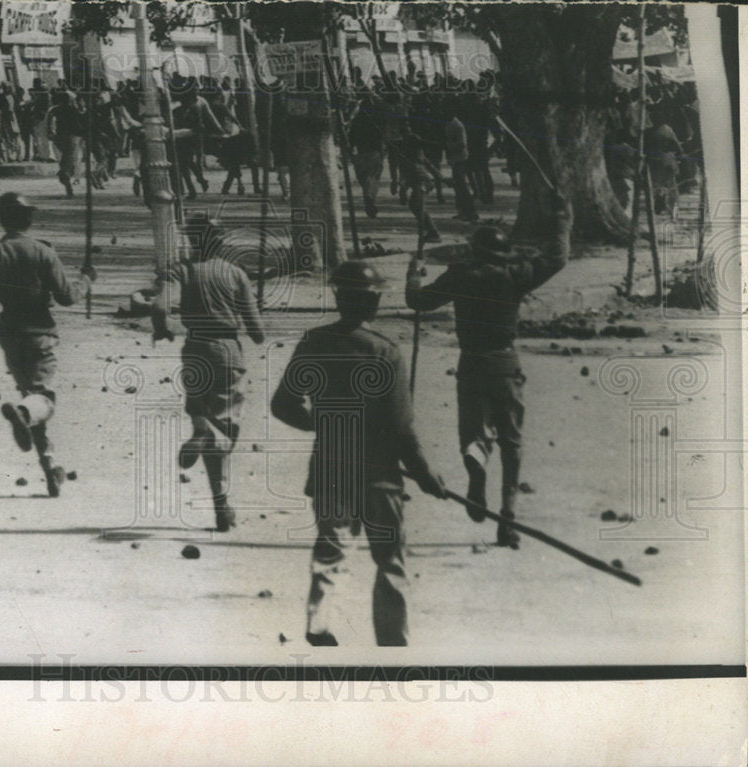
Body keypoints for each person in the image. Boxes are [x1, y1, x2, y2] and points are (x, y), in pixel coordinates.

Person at [271, 260, 448, 647]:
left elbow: (283, 405)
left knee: (331, 552)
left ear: (338, 298)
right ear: (375, 302)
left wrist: (322, 424)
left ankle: (320, 624)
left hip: (331, 469)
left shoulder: (314, 343)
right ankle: (392, 642)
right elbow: (402, 429)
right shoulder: (386, 352)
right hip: (380, 474)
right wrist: (424, 474)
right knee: (390, 560)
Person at [405, 187, 571, 548]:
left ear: (473, 250)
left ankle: (475, 457)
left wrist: (413, 274)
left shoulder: (460, 276)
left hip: (471, 362)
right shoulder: (516, 274)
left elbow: (417, 301)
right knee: (512, 441)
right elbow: (558, 257)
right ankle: (507, 518)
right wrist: (561, 217)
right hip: (505, 362)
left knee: (473, 433)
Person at [150, 214, 265, 532]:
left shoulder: (180, 271)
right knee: (225, 428)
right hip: (227, 352)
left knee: (202, 415)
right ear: (221, 242)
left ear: (192, 240)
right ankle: (221, 496)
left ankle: (221, 504)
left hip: (195, 350)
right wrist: (254, 313)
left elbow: (161, 307)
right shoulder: (236, 274)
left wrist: (163, 329)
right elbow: (257, 332)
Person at [0, 193, 96, 497]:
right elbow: (67, 296)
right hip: (40, 331)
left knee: (32, 400)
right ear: (29, 219)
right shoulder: (43, 252)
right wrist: (86, 280)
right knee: (41, 398)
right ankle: (23, 415)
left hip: (9, 332)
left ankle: (50, 466)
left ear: (1, 219)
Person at [349, 94, 386, 219]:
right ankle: (370, 199)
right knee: (373, 179)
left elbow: (350, 138)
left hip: (360, 153)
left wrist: (350, 152)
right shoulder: (377, 120)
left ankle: (368, 199)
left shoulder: (356, 120)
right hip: (374, 153)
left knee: (364, 180)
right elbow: (381, 136)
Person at [46, 90, 83, 198]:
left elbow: (49, 124)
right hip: (71, 138)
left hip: (58, 138)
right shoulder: (73, 110)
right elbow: (78, 125)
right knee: (68, 160)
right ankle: (66, 177)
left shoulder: (53, 110)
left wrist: (50, 134)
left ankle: (65, 177)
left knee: (63, 160)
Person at [444, 103, 478, 222]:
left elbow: (462, 143)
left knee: (462, 187)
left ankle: (471, 211)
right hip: (455, 159)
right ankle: (462, 211)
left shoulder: (457, 125)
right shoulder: (450, 124)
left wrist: (448, 146)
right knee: (458, 186)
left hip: (460, 158)